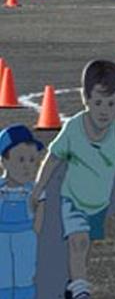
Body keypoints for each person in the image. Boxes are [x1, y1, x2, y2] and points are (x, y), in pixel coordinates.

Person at [31, 60, 115, 299]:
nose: (104, 110)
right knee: (78, 240)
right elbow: (53, 158)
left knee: (85, 244)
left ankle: (73, 280)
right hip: (73, 200)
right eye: (98, 103)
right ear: (85, 99)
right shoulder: (73, 128)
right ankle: (80, 287)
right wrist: (39, 187)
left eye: (110, 104)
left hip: (98, 202)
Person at [0, 124, 45, 299]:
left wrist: (36, 233)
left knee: (25, 277)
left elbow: (40, 213)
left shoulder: (34, 191)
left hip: (26, 237)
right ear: (4, 161)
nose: (27, 166)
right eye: (21, 160)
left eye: (32, 160)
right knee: (2, 277)